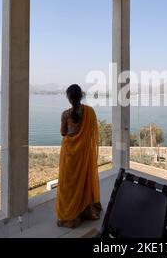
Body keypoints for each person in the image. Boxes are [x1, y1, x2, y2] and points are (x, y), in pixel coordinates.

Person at [56, 84, 102, 228]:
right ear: (81, 96)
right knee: (83, 180)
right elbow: (93, 133)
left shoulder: (65, 114)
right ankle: (85, 210)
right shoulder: (90, 112)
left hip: (69, 154)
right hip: (83, 153)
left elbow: (63, 133)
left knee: (68, 183)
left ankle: (70, 214)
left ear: (69, 98)